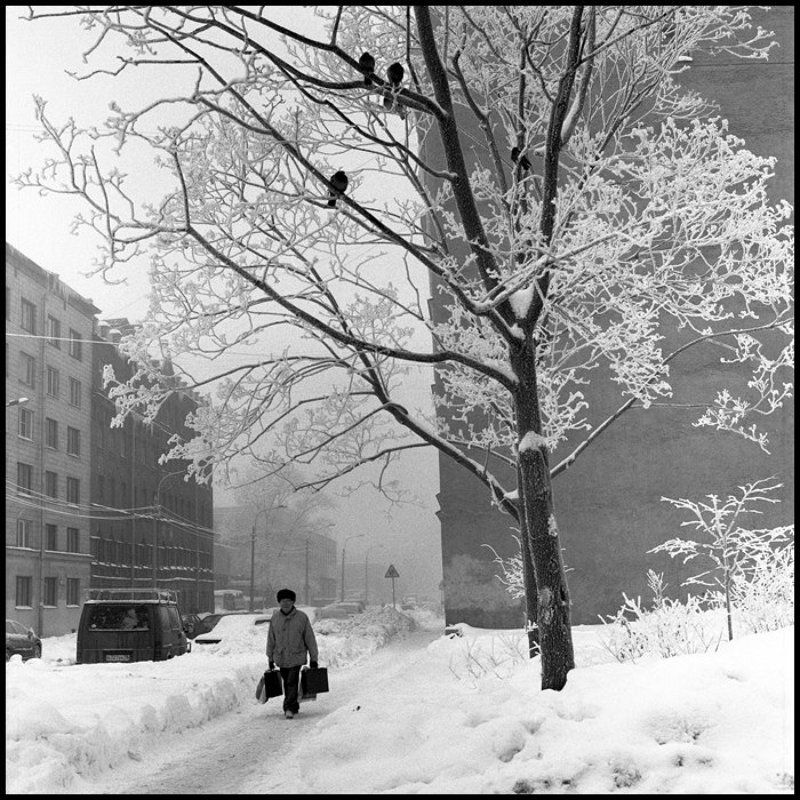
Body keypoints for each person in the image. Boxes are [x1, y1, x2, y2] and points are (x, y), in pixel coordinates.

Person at [267, 588, 319, 719]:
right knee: (288, 682)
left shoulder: (302, 617)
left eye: (288, 600)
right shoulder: (275, 618)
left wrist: (314, 658)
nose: (285, 603)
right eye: (283, 601)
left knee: (291, 681)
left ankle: (288, 708)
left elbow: (310, 639)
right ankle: (294, 705)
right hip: (281, 657)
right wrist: (270, 657)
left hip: (297, 656)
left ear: (293, 602)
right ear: (279, 602)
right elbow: (271, 639)